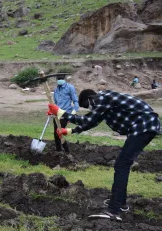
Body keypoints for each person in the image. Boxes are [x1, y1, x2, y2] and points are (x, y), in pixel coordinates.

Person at [47, 89, 160, 221]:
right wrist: (70, 131)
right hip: (144, 126)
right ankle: (120, 203)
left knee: (121, 164)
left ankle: (113, 210)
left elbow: (87, 118)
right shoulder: (105, 103)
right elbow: (91, 122)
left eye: (86, 105)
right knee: (122, 164)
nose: (89, 108)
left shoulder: (103, 98)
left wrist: (59, 112)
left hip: (144, 125)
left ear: (90, 99)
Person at [53, 75, 79, 153]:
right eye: (58, 79)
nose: (59, 80)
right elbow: (55, 102)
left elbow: (75, 101)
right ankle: (58, 150)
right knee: (55, 133)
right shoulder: (56, 89)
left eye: (61, 79)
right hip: (57, 113)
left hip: (66, 113)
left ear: (64, 79)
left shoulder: (70, 88)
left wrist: (73, 112)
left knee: (60, 132)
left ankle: (67, 151)